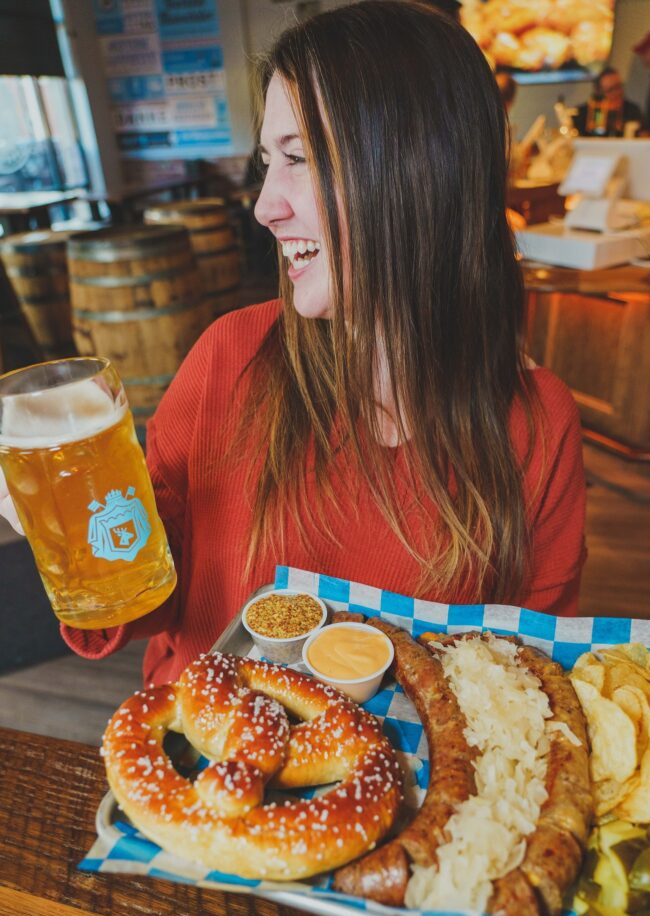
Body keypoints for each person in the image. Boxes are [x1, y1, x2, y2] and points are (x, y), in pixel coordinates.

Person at [0, 1, 586, 690]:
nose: (263, 206)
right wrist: (61, 528)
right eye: (265, 163)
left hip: (405, 789)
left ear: (419, 173)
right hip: (204, 768)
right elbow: (148, 594)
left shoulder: (537, 423)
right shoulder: (230, 355)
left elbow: (530, 675)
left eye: (299, 159)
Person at [573, 67, 642, 137]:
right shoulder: (582, 113)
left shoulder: (632, 110)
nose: (617, 93)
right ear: (599, 92)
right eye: (611, 90)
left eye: (619, 86)